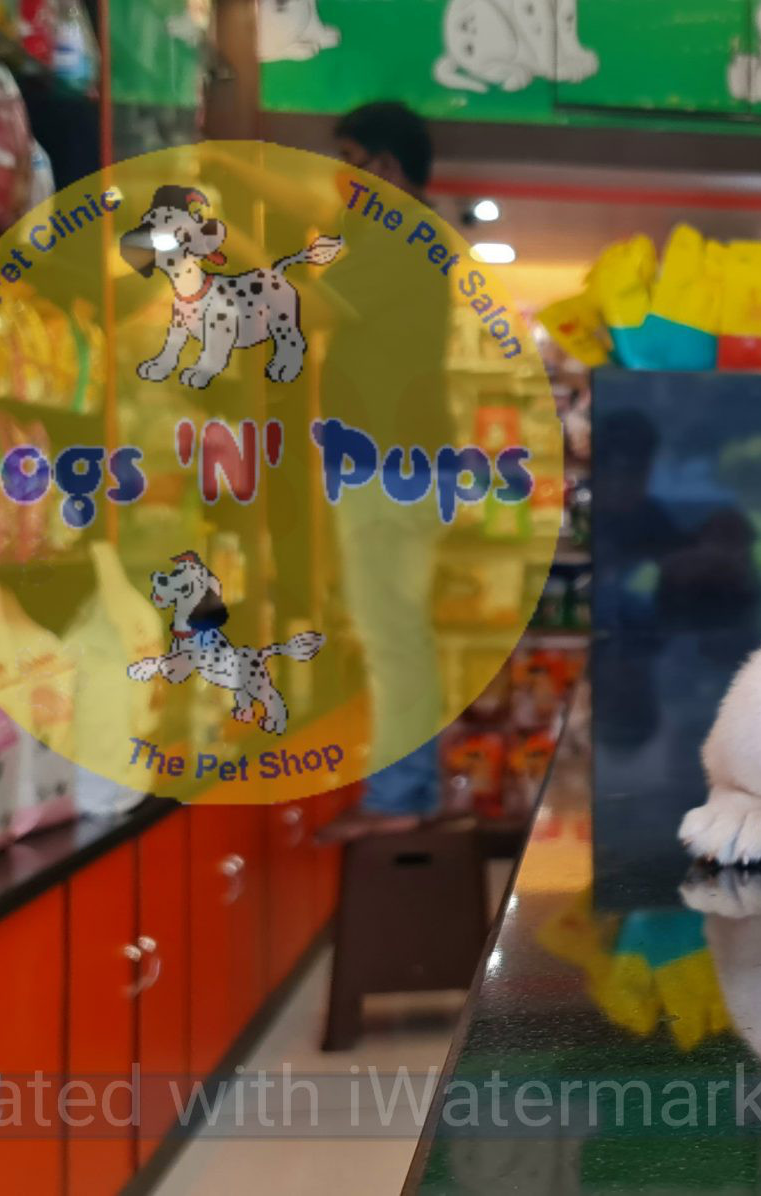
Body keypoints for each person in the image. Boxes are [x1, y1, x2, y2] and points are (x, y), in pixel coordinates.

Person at [319, 101, 455, 842]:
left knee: (391, 631)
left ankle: (402, 798)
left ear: (387, 168)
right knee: (398, 629)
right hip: (397, 460)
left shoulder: (396, 240)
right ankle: (412, 789)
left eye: (350, 160)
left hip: (387, 463)